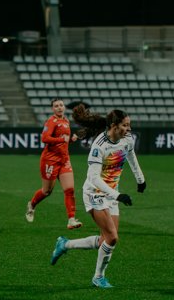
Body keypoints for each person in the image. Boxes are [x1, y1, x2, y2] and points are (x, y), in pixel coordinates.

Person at [49, 103, 146, 288]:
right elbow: (94, 178)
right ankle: (98, 277)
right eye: (125, 125)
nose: (128, 129)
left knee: (105, 239)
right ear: (114, 126)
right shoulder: (99, 146)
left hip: (111, 193)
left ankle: (65, 245)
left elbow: (131, 155)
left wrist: (140, 179)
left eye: (129, 125)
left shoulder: (127, 139)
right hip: (95, 193)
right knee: (112, 238)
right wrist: (117, 195)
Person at [25, 97, 82, 229]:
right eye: (56, 106)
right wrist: (62, 139)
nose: (59, 107)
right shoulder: (51, 121)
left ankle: (71, 220)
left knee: (70, 190)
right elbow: (44, 138)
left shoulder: (66, 121)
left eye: (61, 105)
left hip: (64, 160)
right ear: (52, 109)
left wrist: (71, 140)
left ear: (64, 107)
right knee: (46, 191)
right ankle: (31, 205)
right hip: (50, 160)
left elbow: (64, 140)